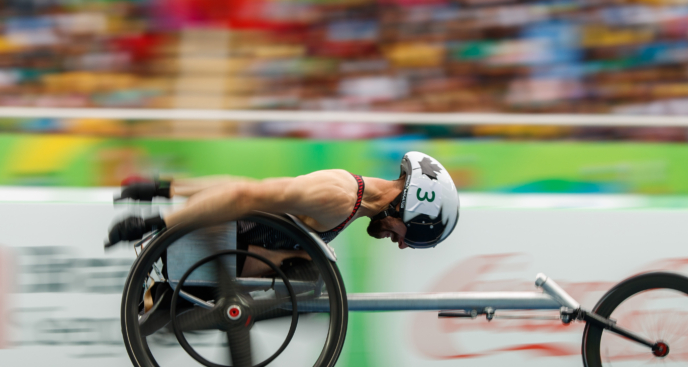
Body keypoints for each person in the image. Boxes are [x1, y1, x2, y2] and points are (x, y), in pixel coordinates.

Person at [106, 152, 460, 270]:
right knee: (312, 275)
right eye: (406, 235)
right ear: (405, 208)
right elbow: (244, 194)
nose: (399, 243)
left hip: (229, 246)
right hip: (215, 251)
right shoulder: (337, 197)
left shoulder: (353, 201)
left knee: (315, 264)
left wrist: (163, 188)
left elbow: (242, 185)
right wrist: (158, 222)